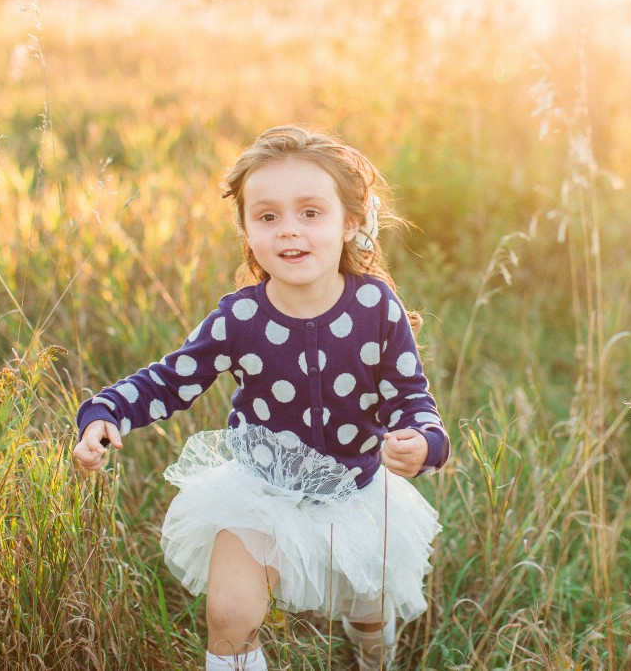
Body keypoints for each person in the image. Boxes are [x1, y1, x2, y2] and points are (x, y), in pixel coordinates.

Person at [73, 125, 450, 671]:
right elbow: (169, 380)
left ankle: (374, 655)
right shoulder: (240, 318)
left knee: (369, 613)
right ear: (247, 230)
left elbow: (410, 397)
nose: (289, 231)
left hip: (357, 490)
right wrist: (105, 412)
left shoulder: (376, 306)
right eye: (268, 216)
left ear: (350, 223)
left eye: (310, 213)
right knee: (229, 615)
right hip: (259, 490)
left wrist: (424, 441)